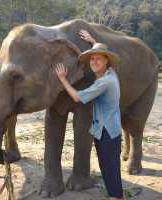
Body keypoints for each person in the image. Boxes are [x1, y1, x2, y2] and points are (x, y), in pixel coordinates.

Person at [55, 30, 126, 200]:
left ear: (106, 61)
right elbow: (100, 57)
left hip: (106, 131)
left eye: (98, 59)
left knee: (109, 168)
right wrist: (93, 41)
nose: (94, 62)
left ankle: (116, 197)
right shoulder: (111, 72)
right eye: (92, 59)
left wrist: (62, 78)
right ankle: (118, 195)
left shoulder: (104, 82)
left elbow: (77, 97)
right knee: (110, 166)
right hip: (112, 128)